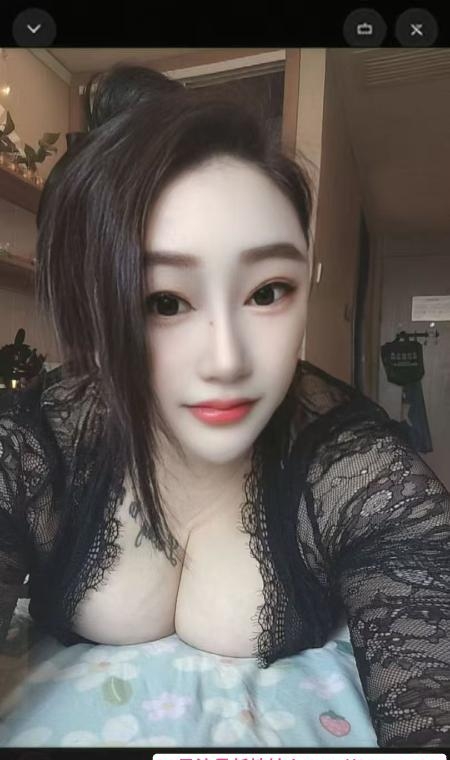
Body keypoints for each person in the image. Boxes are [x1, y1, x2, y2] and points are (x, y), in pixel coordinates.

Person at [0, 64, 449, 748]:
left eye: (267, 292)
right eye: (164, 301)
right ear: (89, 312)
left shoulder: (358, 469)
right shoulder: (35, 443)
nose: (229, 360)